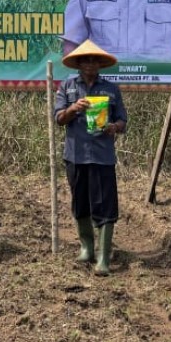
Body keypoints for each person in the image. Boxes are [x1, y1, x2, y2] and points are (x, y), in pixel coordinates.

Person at [54, 40, 128, 276]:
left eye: (94, 60)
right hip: (75, 155)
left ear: (100, 64)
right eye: (85, 60)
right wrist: (74, 108)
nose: (90, 64)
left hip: (102, 156)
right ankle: (86, 247)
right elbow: (58, 119)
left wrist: (114, 127)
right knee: (80, 201)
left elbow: (123, 121)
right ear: (78, 63)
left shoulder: (111, 89)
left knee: (105, 204)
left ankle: (103, 257)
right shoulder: (67, 87)